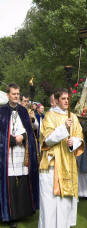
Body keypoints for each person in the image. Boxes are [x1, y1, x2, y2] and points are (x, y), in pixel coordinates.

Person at [38, 88, 84, 228]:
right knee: (50, 202)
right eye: (63, 99)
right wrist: (64, 128)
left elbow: (80, 137)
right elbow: (47, 140)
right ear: (56, 101)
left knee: (65, 202)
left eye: (68, 99)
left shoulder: (73, 117)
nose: (66, 101)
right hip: (52, 165)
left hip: (68, 164)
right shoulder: (49, 116)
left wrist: (73, 143)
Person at [0, 83, 39, 228]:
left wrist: (23, 136)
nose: (16, 96)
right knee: (9, 184)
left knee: (22, 182)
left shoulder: (23, 111)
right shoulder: (2, 111)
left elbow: (29, 131)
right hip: (7, 154)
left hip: (22, 153)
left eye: (18, 94)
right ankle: (10, 216)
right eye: (14, 94)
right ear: (8, 95)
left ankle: (22, 212)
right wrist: (11, 139)